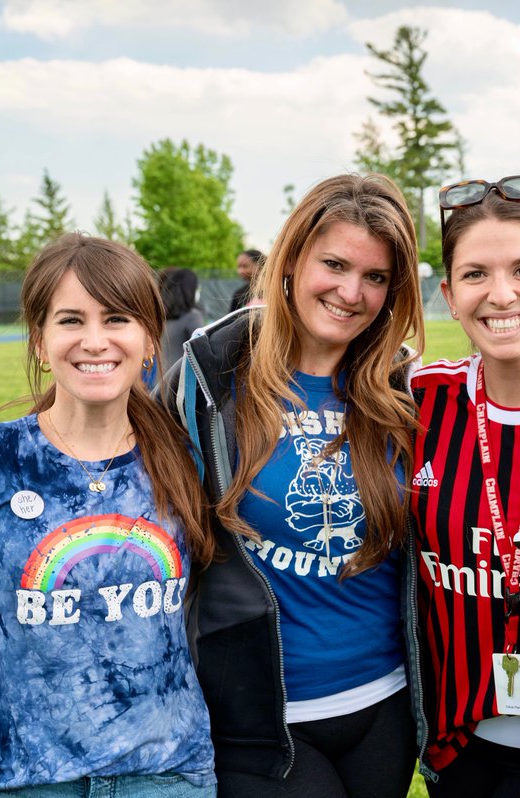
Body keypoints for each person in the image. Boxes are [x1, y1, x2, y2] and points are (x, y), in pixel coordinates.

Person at [0, 234, 218, 798]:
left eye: (118, 318)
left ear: (150, 338)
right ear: (38, 340)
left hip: (169, 776)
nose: (95, 341)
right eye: (71, 320)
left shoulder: (190, 457)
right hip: (24, 780)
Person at [165, 174, 425, 798]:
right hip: (263, 718)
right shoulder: (210, 378)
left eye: (375, 277)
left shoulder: (406, 392)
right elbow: (101, 450)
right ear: (290, 261)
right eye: (333, 264)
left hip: (386, 707)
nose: (350, 292)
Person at [412, 175, 520, 797]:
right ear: (449, 294)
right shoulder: (417, 402)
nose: (501, 294)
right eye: (475, 275)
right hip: (460, 745)